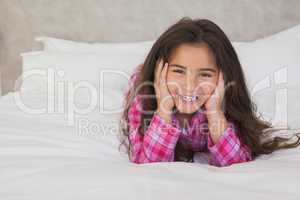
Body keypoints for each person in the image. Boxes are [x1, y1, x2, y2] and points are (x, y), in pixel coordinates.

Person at [118, 17, 300, 167]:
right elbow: (149, 165)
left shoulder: (223, 100)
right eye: (179, 71)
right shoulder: (144, 97)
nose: (190, 86)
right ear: (160, 71)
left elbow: (237, 163)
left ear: (222, 77)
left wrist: (215, 113)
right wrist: (164, 110)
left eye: (205, 74)